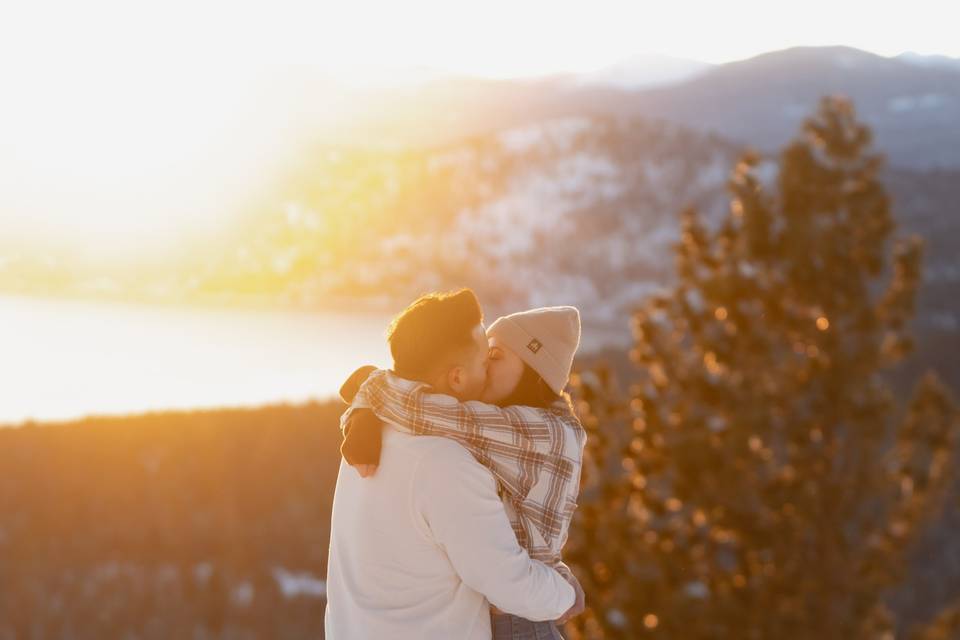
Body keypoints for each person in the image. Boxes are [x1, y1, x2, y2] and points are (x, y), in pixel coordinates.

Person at [324, 289, 581, 640]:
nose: (488, 371)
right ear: (457, 377)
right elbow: (507, 582)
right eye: (484, 359)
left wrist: (364, 399)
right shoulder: (445, 463)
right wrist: (565, 594)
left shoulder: (369, 434)